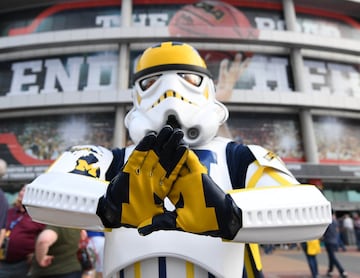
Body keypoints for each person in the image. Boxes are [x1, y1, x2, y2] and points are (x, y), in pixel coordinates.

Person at [23, 41, 331, 278]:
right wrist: (109, 205)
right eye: (151, 81)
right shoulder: (111, 160)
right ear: (136, 95)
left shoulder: (240, 157)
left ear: (208, 88)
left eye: (187, 78)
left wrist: (228, 215)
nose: (170, 91)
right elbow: (40, 193)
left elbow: (313, 210)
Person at [0, 185, 45, 278]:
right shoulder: (9, 211)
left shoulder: (37, 217)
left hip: (22, 264)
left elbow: (44, 236)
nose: (21, 193)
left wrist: (36, 254)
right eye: (21, 190)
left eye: (25, 191)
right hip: (2, 262)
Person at [323, 213, 348, 278]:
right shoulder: (335, 221)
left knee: (332, 257)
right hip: (334, 240)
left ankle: (342, 271)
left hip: (328, 241)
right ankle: (330, 271)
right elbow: (337, 230)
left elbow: (324, 231)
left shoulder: (327, 221)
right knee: (331, 257)